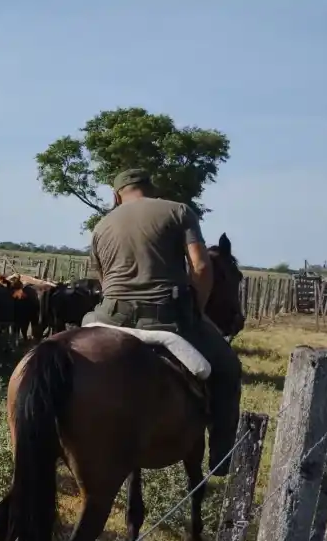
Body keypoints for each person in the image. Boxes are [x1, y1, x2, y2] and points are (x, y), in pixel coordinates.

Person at [83, 168, 242, 476]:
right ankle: (221, 459)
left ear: (117, 196)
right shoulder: (179, 211)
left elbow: (102, 281)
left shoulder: (101, 225)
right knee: (227, 368)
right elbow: (200, 266)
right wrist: (196, 308)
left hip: (109, 315)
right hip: (166, 318)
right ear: (149, 188)